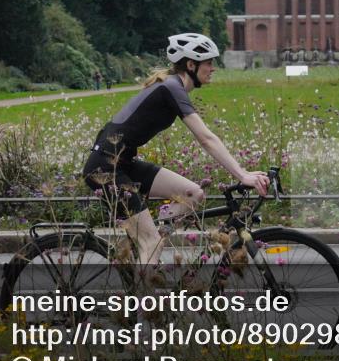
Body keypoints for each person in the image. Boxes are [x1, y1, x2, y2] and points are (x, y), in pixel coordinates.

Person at [82, 32, 269, 267]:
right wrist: (243, 175)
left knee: (194, 194)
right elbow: (206, 138)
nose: (213, 68)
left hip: (124, 163)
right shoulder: (172, 87)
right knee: (152, 243)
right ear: (191, 65)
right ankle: (142, 300)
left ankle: (152, 238)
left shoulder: (171, 86)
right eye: (209, 63)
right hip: (104, 168)